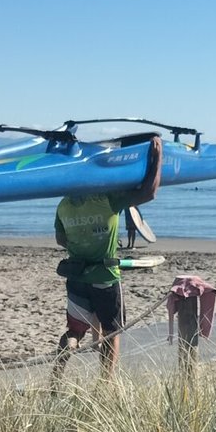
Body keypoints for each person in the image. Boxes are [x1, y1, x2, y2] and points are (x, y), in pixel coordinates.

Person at [54, 137, 163, 377]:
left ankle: (56, 376)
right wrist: (157, 157)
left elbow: (60, 240)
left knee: (74, 333)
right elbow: (149, 192)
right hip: (105, 277)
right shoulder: (107, 199)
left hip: (77, 278)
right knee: (112, 331)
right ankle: (106, 383)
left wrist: (82, 239)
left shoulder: (64, 204)